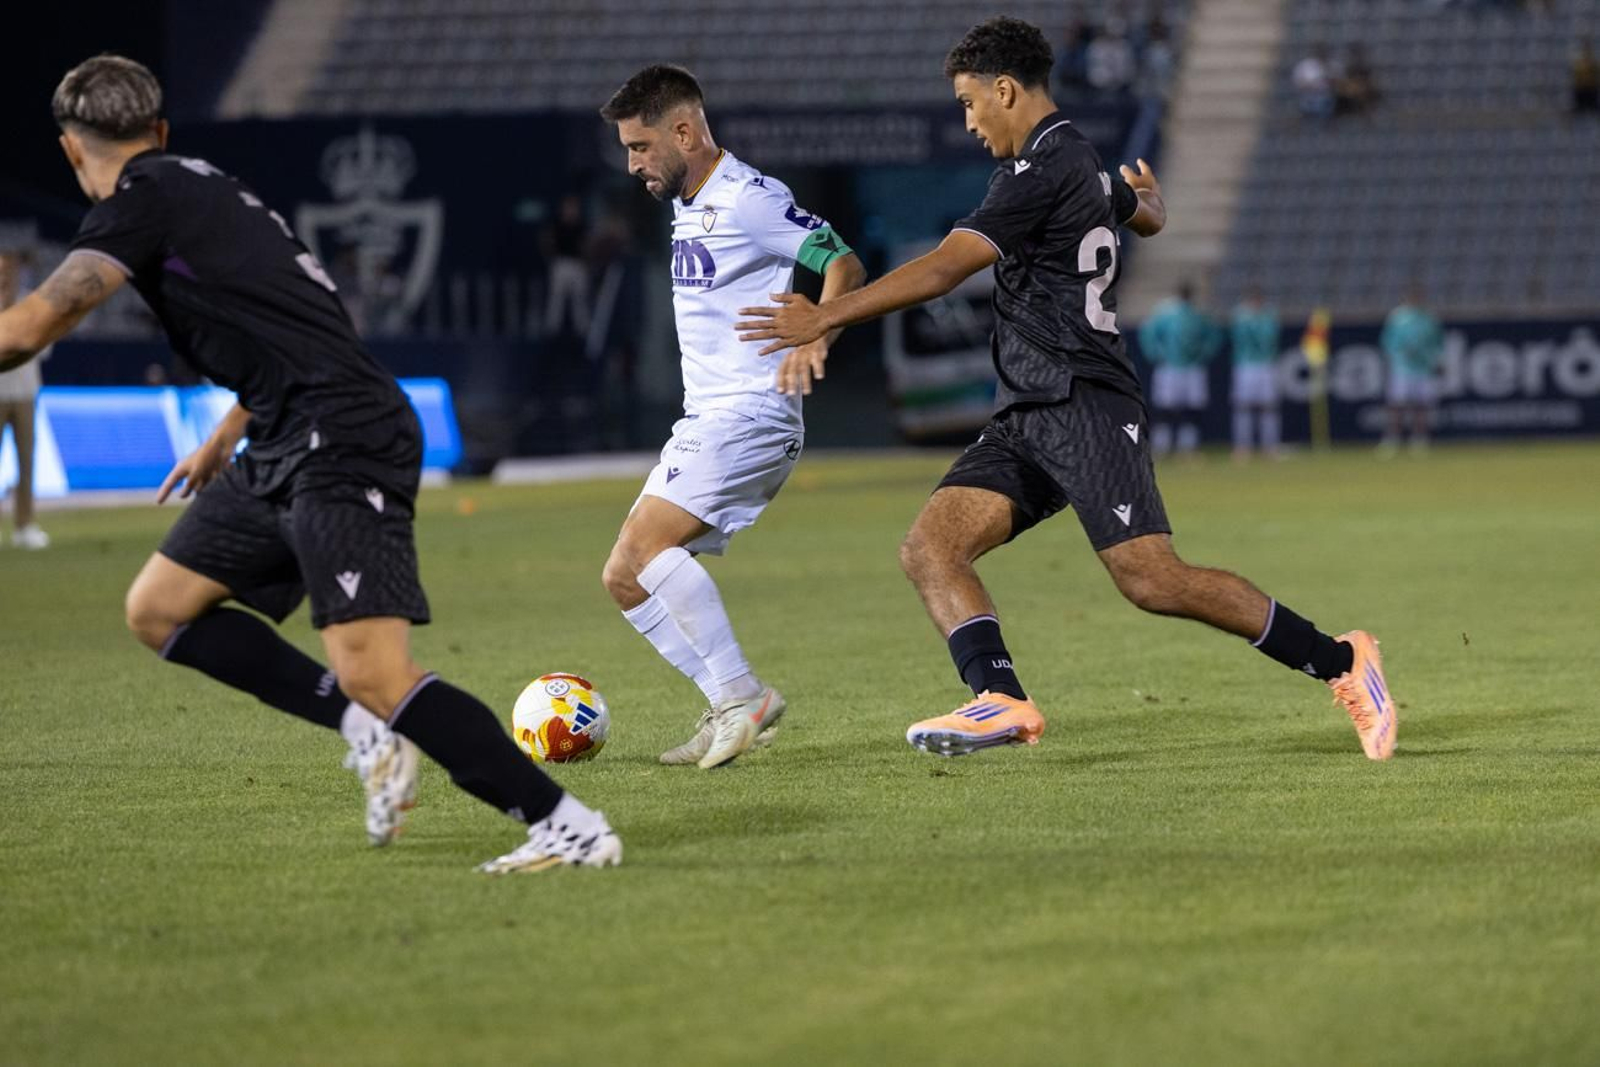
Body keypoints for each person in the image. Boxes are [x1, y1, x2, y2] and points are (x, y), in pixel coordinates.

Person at [0, 55, 619, 872]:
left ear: (71, 149)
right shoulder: (208, 188)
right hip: (285, 431)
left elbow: (31, 327)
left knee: (374, 669)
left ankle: (569, 826)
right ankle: (366, 731)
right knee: (159, 608)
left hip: (342, 435)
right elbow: (304, 321)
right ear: (158, 130)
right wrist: (230, 430)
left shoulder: (137, 205)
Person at [737, 17, 1397, 762]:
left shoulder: (1037, 173)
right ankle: (1000, 697)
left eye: (968, 102)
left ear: (1005, 90)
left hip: (1084, 401)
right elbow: (1129, 206)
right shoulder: (1078, 161)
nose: (968, 121)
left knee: (1151, 579)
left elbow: (946, 267)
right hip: (1027, 411)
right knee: (931, 548)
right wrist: (1149, 213)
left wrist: (826, 315)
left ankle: (1342, 661)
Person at [598, 65, 867, 769]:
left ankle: (742, 694)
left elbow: (844, 265)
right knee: (624, 577)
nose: (633, 164)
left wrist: (818, 334)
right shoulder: (691, 199)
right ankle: (728, 698)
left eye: (640, 147)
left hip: (751, 413)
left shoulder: (749, 199)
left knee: (648, 548)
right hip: (707, 417)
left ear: (684, 132)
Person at [0, 251, 50, 549]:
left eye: (6, 270)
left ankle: (25, 524)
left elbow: (44, 345)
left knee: (26, 461)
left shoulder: (32, 303)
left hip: (25, 393)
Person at [1138, 281, 1221, 457]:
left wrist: (1203, 354)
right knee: (1166, 406)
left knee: (1190, 406)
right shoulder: (1167, 313)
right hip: (1170, 366)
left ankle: (1186, 446)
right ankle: (1164, 445)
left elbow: (1213, 336)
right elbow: (1149, 334)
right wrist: (1157, 353)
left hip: (1190, 366)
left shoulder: (1197, 314)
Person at [1379, 288, 1445, 454]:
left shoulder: (1429, 319)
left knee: (1421, 405)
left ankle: (1419, 439)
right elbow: (1388, 342)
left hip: (1424, 368)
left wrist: (1437, 361)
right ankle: (1392, 438)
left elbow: (1438, 343)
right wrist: (1400, 353)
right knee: (1397, 404)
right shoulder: (1397, 318)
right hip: (1402, 367)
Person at [1229, 286, 1282, 460]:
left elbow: (1271, 338)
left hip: (1266, 365)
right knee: (1243, 407)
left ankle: (1270, 446)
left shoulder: (1269, 316)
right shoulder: (1240, 317)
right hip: (1245, 365)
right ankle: (1242, 447)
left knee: (1269, 407)